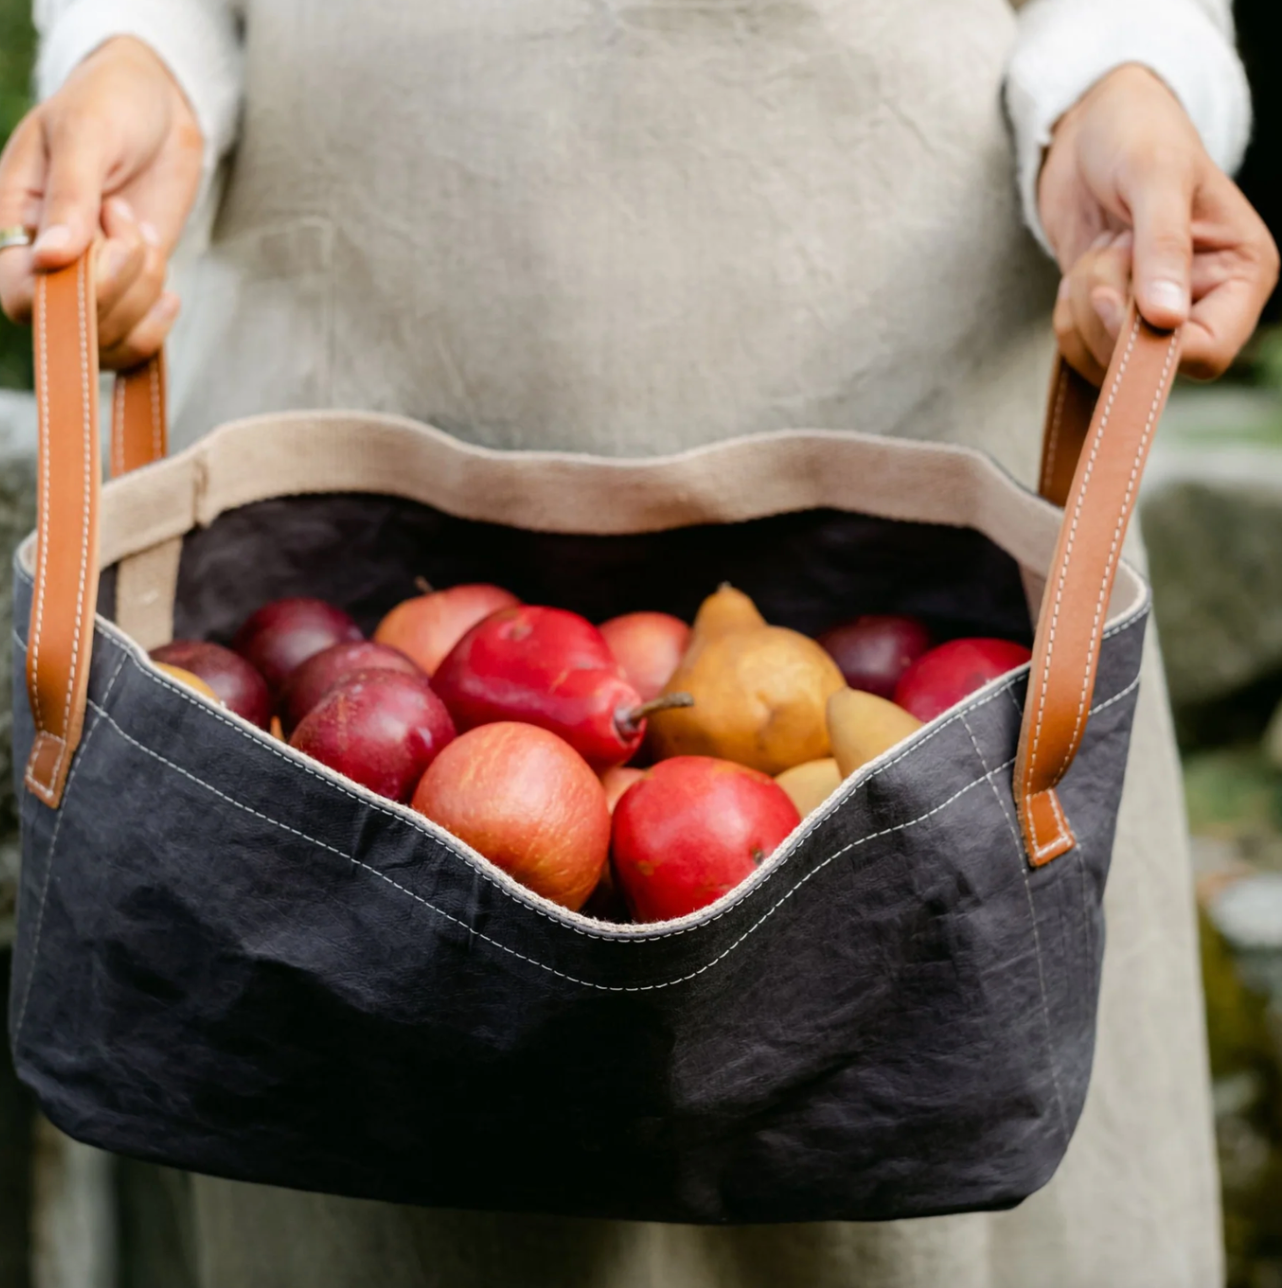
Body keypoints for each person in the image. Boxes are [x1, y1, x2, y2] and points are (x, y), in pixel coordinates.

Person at [0, 2, 1276, 1285]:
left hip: (901, 371)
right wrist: (136, 63)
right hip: (351, 353)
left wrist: (1122, 86)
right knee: (363, 1148)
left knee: (914, 1110)